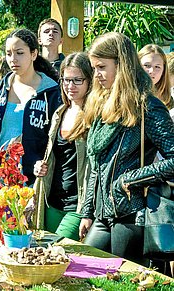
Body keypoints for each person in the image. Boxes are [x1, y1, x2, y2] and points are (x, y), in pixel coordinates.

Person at [78, 32, 174, 266]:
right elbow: (96, 164)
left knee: (125, 281)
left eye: (101, 66)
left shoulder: (148, 106)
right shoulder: (102, 103)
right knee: (81, 268)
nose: (96, 74)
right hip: (103, 214)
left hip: (133, 214)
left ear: (121, 65)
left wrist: (129, 180)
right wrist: (87, 211)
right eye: (94, 67)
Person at [0, 28, 61, 186]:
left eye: (19, 53)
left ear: (34, 54)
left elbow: (57, 139)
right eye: (8, 53)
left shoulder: (51, 92)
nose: (13, 59)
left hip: (33, 181)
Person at [33, 52, 93, 240]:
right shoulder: (60, 112)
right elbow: (55, 155)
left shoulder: (95, 115)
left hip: (78, 204)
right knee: (46, 255)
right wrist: (40, 166)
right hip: (52, 201)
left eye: (77, 80)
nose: (70, 86)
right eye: (66, 80)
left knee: (59, 249)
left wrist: (87, 212)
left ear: (89, 81)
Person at [139, 44, 173, 113]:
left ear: (163, 70)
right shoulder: (127, 96)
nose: (152, 71)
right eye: (147, 65)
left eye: (157, 67)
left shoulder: (168, 99)